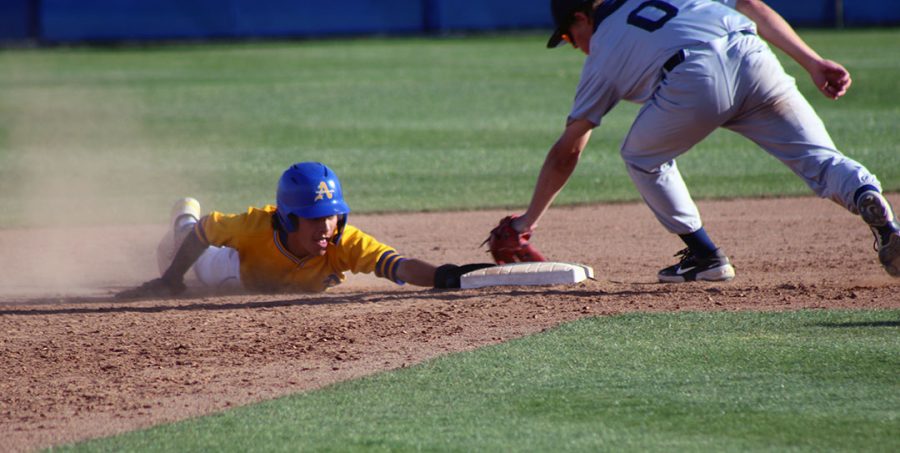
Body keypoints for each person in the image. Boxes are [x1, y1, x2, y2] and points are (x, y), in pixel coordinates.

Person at [496, 0, 899, 282]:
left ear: (583, 17)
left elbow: (569, 149)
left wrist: (526, 221)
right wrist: (812, 61)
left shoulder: (602, 49)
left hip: (695, 76)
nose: (575, 46)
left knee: (641, 156)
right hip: (753, 56)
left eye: (569, 38)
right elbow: (749, 3)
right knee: (821, 160)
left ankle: (705, 256)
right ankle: (869, 198)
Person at [117, 162, 490, 298]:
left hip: (265, 279)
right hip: (235, 269)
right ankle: (182, 211)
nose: (327, 226)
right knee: (190, 252)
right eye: (315, 218)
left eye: (333, 216)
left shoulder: (344, 242)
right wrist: (170, 280)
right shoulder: (254, 226)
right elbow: (205, 232)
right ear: (289, 218)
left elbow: (399, 265)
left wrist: (444, 276)